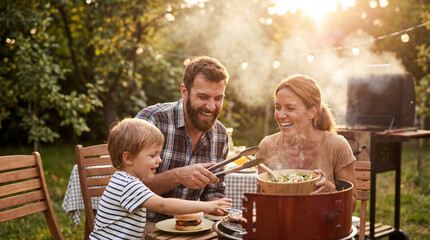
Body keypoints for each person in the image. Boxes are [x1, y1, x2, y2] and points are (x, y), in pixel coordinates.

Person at [89, 118, 231, 240]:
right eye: (153, 155)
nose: (160, 160)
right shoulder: (128, 185)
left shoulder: (125, 180)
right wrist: (207, 206)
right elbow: (163, 205)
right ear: (128, 158)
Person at [135, 56, 230, 223]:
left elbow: (213, 191)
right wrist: (178, 176)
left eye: (218, 98)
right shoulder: (152, 120)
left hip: (192, 227)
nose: (211, 107)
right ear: (184, 91)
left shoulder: (220, 134)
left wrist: (216, 206)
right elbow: (129, 187)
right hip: (144, 226)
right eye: (203, 97)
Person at [256, 74, 357, 209]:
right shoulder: (267, 146)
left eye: (290, 108)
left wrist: (331, 191)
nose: (280, 115)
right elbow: (261, 203)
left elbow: (352, 205)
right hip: (279, 226)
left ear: (312, 112)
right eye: (278, 107)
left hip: (324, 226)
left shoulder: (337, 145)